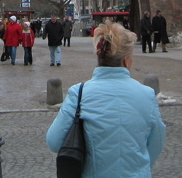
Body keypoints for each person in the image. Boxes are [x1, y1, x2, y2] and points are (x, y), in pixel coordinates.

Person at [46, 22, 166, 177]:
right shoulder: (147, 94)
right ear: (126, 60)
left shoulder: (79, 94)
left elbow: (54, 142)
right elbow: (156, 143)